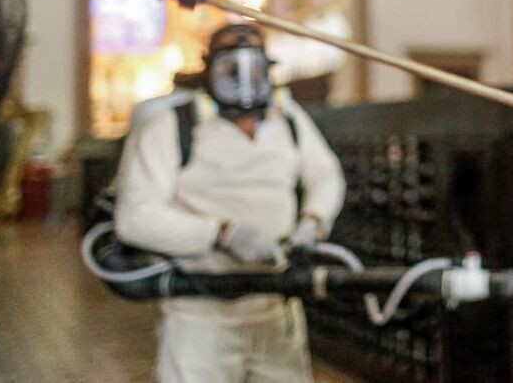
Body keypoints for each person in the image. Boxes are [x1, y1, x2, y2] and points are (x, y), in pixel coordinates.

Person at [115, 23, 346, 383]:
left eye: (254, 67)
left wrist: (313, 222)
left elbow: (325, 175)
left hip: (275, 309)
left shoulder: (288, 120)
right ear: (208, 69)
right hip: (200, 316)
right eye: (229, 67)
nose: (243, 78)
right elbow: (135, 217)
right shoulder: (172, 126)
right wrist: (222, 234)